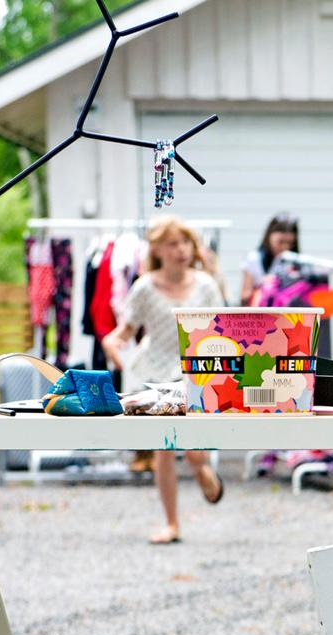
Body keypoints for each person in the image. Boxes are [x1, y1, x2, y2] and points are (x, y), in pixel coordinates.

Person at [102, 216, 226, 543]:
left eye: (186, 242)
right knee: (164, 449)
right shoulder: (144, 287)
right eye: (173, 243)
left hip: (195, 371)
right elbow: (124, 332)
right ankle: (172, 524)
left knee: (195, 449)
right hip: (155, 372)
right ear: (158, 249)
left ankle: (201, 468)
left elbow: (223, 330)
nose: (182, 250)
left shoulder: (206, 285)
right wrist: (113, 348)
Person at [239, 213, 299, 303]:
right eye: (280, 241)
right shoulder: (254, 259)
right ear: (269, 237)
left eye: (290, 243)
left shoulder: (296, 261)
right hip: (260, 314)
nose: (285, 247)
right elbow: (244, 297)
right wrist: (264, 286)